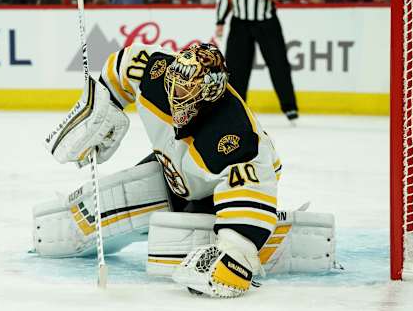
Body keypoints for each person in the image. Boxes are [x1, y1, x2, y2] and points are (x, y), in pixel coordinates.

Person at [41, 43, 281, 297]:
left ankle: (249, 232)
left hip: (213, 192)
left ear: (209, 92)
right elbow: (123, 65)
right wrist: (103, 109)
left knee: (168, 246)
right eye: (174, 85)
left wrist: (238, 250)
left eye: (185, 91)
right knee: (115, 194)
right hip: (173, 169)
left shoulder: (233, 135)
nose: (175, 96)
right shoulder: (156, 70)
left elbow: (254, 183)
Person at [216, 0, 299, 123]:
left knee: (278, 63)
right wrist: (220, 20)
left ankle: (289, 106)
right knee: (236, 68)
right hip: (240, 23)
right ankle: (236, 108)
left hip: (267, 22)